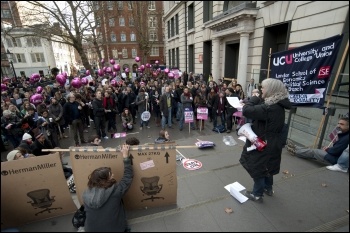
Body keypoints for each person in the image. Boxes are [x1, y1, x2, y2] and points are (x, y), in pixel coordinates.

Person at [239, 78, 292, 202]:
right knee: (268, 167)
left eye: (263, 87)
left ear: (271, 89)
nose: (261, 89)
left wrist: (254, 98)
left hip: (264, 143)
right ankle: (268, 188)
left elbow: (247, 110)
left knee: (258, 168)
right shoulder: (277, 104)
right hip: (273, 142)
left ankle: (257, 194)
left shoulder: (270, 107)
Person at [82, 144, 133, 232]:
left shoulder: (86, 193)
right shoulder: (115, 190)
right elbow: (128, 177)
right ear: (105, 180)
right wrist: (125, 157)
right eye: (110, 175)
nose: (113, 175)